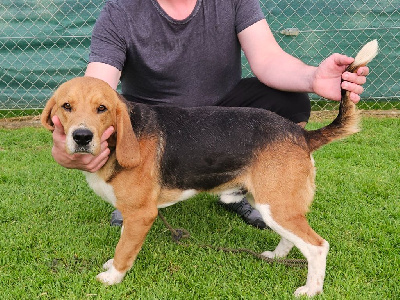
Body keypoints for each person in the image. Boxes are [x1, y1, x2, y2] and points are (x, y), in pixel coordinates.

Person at [50, 0, 370, 229]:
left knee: (290, 101)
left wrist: (312, 77)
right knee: (119, 119)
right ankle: (132, 191)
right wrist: (79, 127)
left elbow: (269, 59)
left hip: (219, 113)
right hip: (154, 121)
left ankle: (237, 186)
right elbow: (97, 85)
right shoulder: (121, 9)